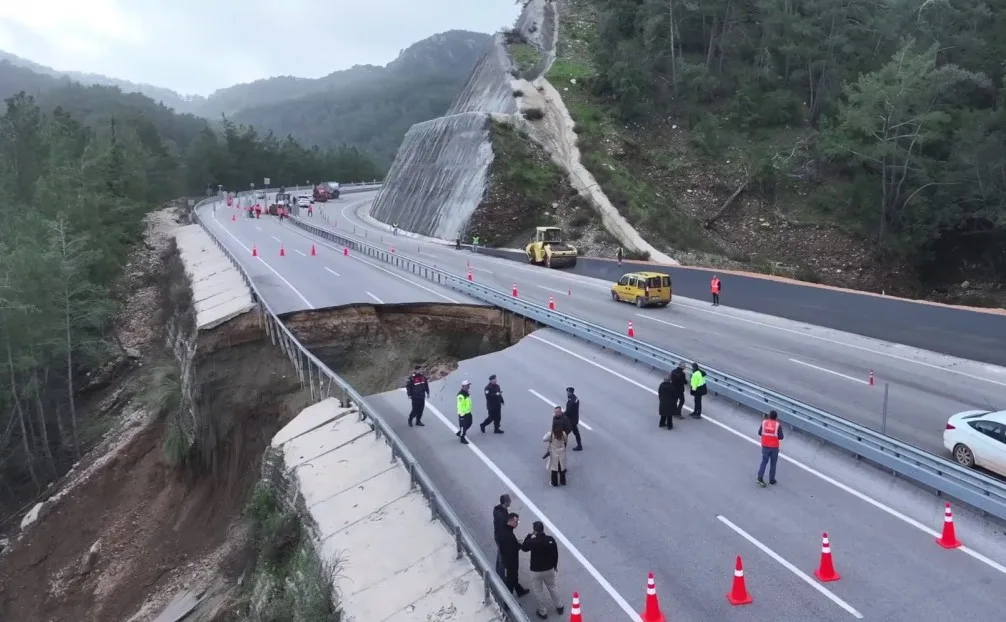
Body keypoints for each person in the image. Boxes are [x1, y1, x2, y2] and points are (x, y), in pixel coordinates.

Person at [522, 520, 563, 619]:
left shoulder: (532, 542)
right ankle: (559, 606)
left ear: (535, 531)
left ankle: (543, 611)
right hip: (549, 569)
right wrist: (555, 565)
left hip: (536, 570)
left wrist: (528, 535)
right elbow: (555, 553)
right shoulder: (550, 540)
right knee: (552, 587)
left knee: (538, 591)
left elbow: (524, 547)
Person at [499, 512, 529, 596]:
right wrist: (519, 544)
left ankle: (519, 590)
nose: (517, 524)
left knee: (514, 577)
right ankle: (508, 603)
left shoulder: (504, 529)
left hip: (506, 558)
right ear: (511, 521)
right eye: (516, 522)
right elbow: (513, 549)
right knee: (510, 580)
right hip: (511, 561)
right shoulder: (509, 536)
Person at [757, 410, 784, 487]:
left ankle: (760, 477)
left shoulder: (764, 422)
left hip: (765, 446)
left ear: (769, 416)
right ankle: (772, 480)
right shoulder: (778, 425)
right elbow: (781, 437)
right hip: (774, 448)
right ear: (776, 417)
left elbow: (759, 433)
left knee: (764, 462)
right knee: (773, 464)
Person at [492, 493, 512, 579]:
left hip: (497, 536)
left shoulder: (497, 510)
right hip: (501, 539)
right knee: (502, 559)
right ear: (505, 502)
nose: (511, 501)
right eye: (509, 500)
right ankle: (501, 578)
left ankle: (498, 573)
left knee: (499, 555)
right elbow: (503, 529)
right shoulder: (502, 515)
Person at [543, 421, 568, 487]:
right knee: (562, 467)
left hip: (554, 454)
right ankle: (563, 481)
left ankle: (554, 482)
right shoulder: (563, 433)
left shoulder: (551, 434)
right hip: (562, 453)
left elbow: (544, 439)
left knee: (554, 469)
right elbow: (565, 440)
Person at [456, 379, 474, 444]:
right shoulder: (461, 395)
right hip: (463, 414)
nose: (469, 387)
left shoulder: (466, 393)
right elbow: (459, 405)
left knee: (469, 423)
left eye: (469, 385)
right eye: (467, 385)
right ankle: (462, 438)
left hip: (468, 412)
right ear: (463, 386)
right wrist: (461, 414)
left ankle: (460, 433)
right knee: (463, 426)